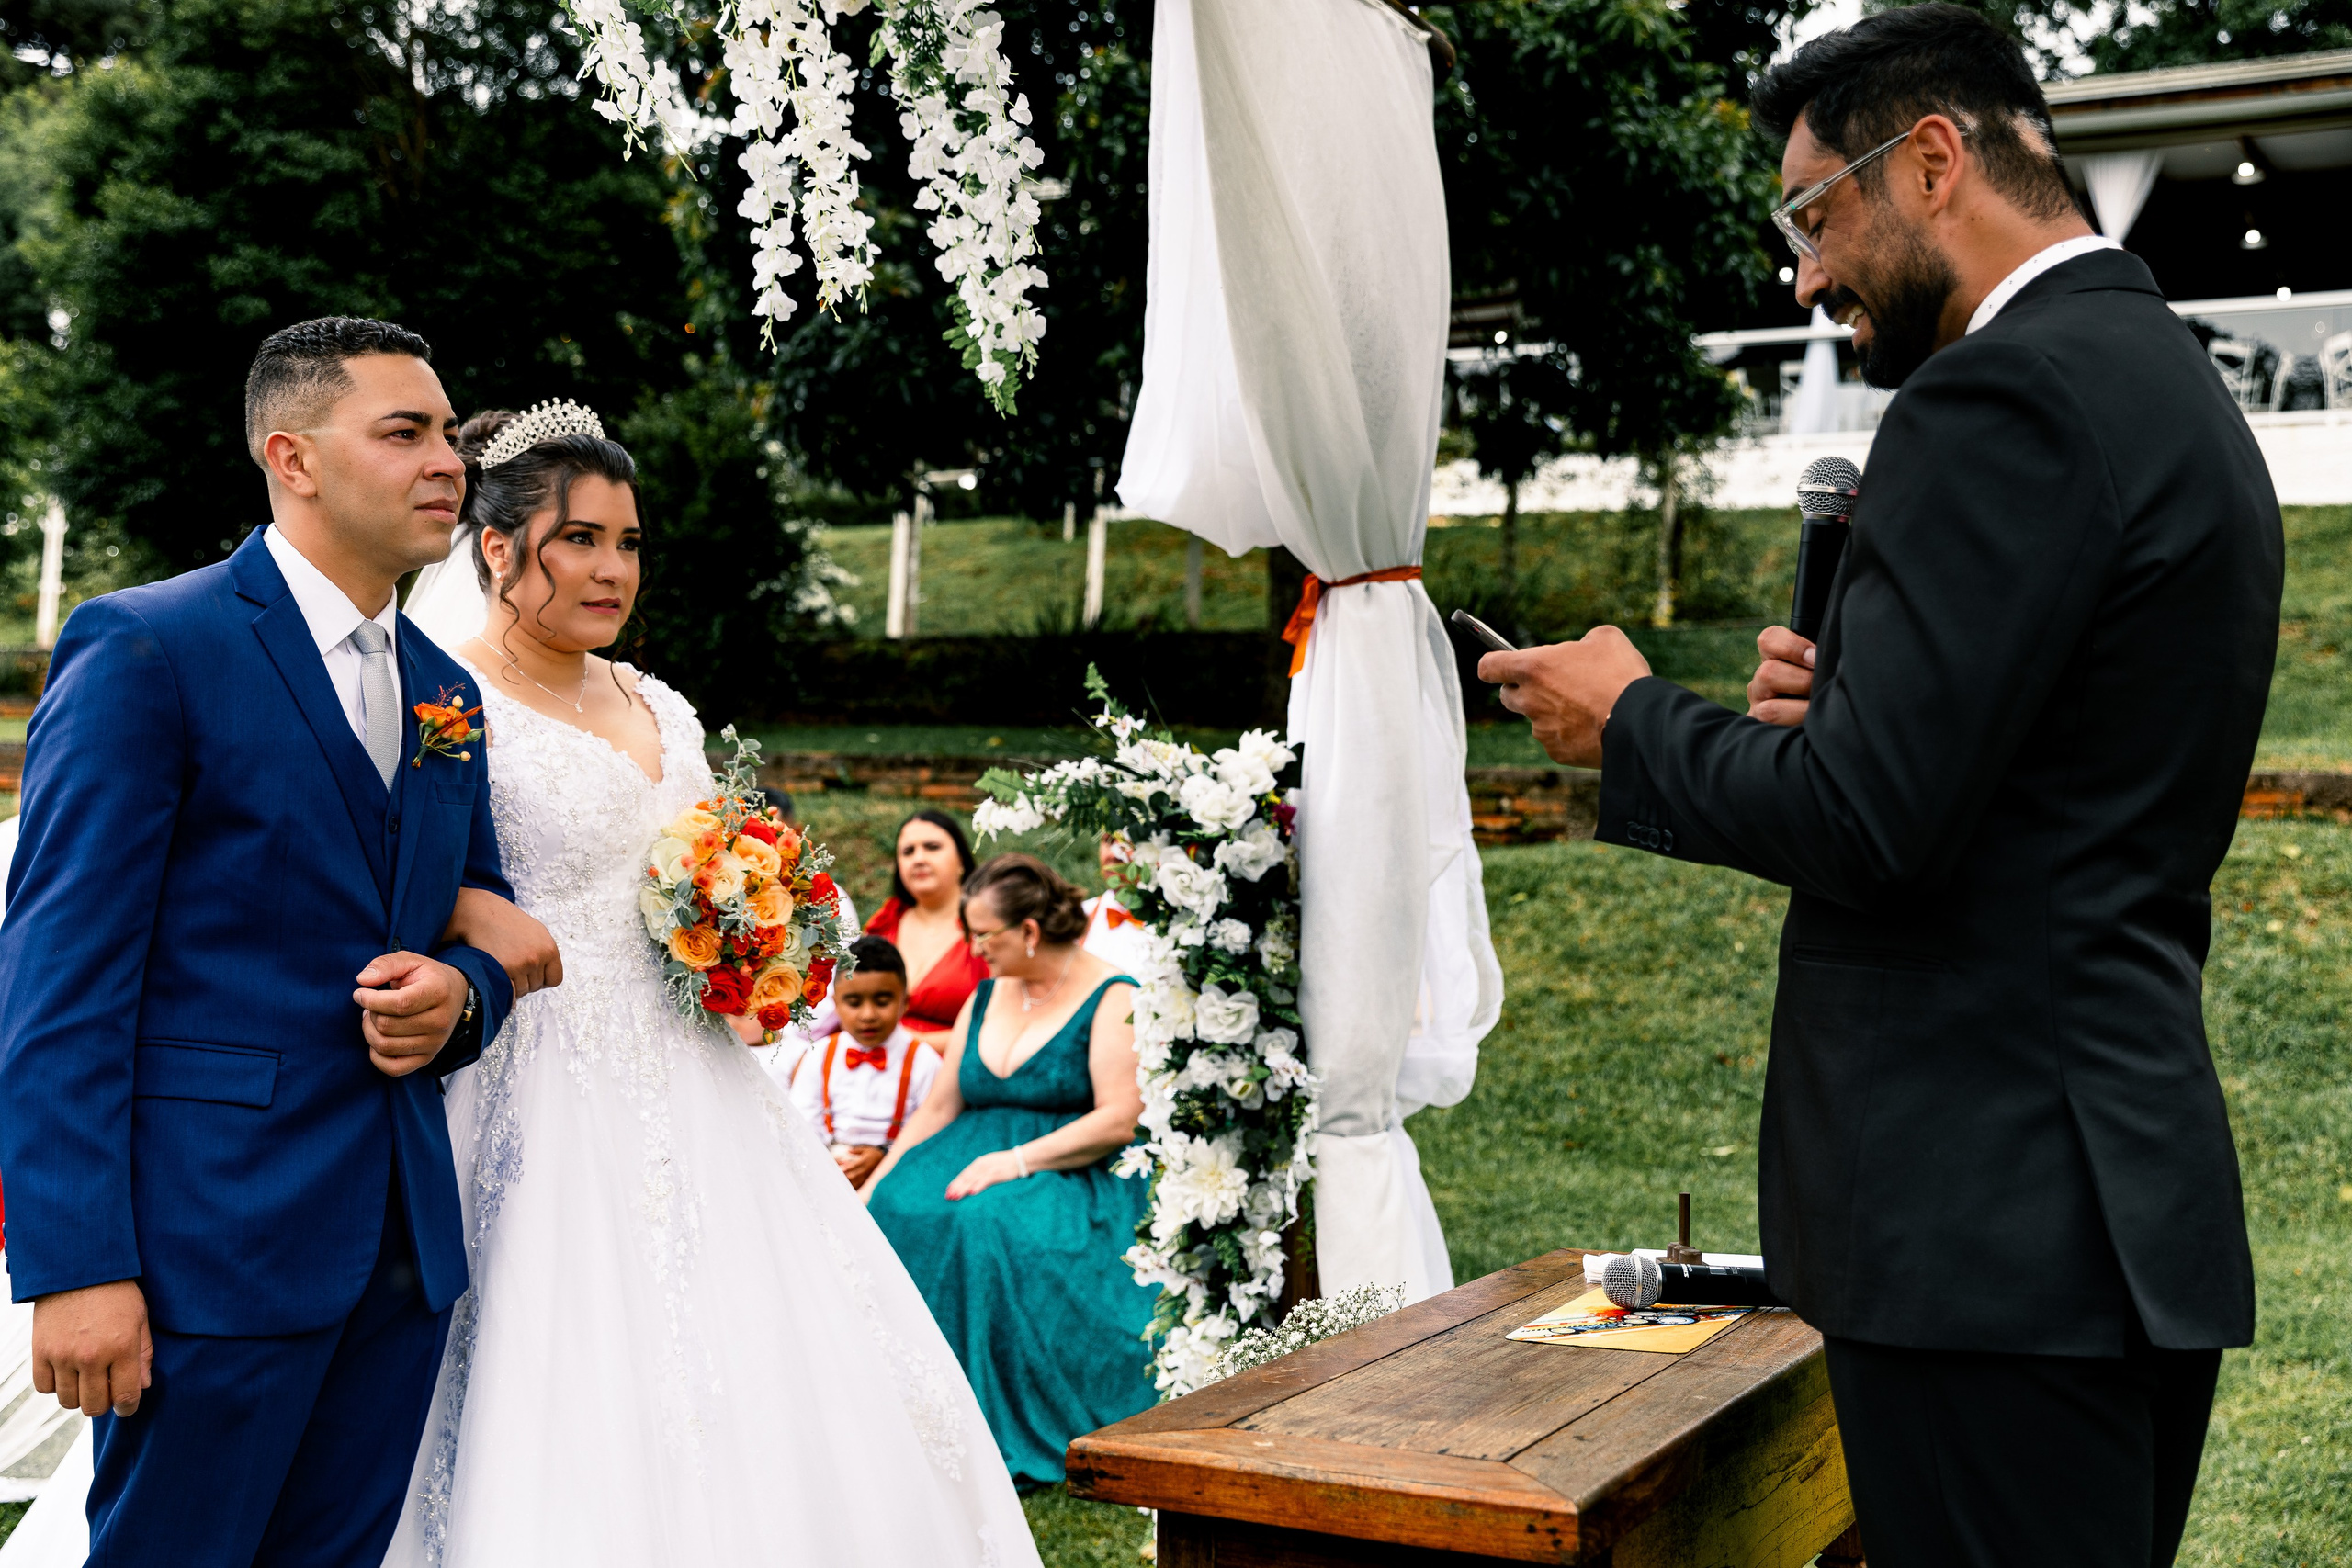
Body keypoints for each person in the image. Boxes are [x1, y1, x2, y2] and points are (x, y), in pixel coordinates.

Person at [1477, 10, 2278, 1566]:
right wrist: (1844, 718)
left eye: (1814, 216)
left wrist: (1633, 719)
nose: (1805, 276)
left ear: (1929, 162)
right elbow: (2027, 784)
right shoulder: (2161, 382)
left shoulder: (1999, 399)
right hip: (2098, 1212)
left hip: (1988, 1230)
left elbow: (1872, 825)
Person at [374, 402, 1038, 1564]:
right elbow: (383, 871)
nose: (611, 569)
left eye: (629, 543)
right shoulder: (439, 700)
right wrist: (472, 910)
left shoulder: (658, 703)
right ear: (495, 548)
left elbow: (714, 853)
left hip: (700, 1070)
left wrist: (759, 925)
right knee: (560, 1346)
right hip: (538, 1074)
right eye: (578, 539)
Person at [0, 317, 560, 1567]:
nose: (447, 464)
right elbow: (56, 980)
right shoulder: (149, 647)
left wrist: (457, 997)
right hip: (206, 1248)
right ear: (292, 456)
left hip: (400, 1251)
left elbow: (482, 914)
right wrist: (75, 1262)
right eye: (403, 432)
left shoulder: (442, 690)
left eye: (448, 434)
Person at [865, 854, 1159, 1483]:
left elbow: (1118, 1119)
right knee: (897, 1207)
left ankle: (990, 1419)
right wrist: (879, 1176)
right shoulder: (986, 994)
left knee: (983, 1221)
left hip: (1070, 1167)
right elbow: (942, 1102)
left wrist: (1015, 1161)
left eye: (983, 935)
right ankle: (905, 1417)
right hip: (968, 1149)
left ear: (1028, 931)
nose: (971, 948)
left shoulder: (1114, 996)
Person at [786, 936, 942, 1190]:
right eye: (854, 1002)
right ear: (836, 1003)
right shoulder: (820, 1055)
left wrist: (885, 1155)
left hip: (896, 1174)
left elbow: (933, 1135)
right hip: (825, 1170)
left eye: (882, 1002)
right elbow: (801, 1126)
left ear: (905, 1002)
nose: (868, 1015)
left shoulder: (924, 1062)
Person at [864, 810, 990, 1046]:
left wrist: (913, 1045)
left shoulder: (988, 928)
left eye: (932, 847)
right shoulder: (885, 924)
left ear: (961, 859)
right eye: (908, 851)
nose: (918, 858)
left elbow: (1001, 1026)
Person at [1079, 833, 1153, 975]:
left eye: (1128, 843)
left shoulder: (1175, 926)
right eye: (1109, 841)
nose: (1114, 854)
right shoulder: (1078, 916)